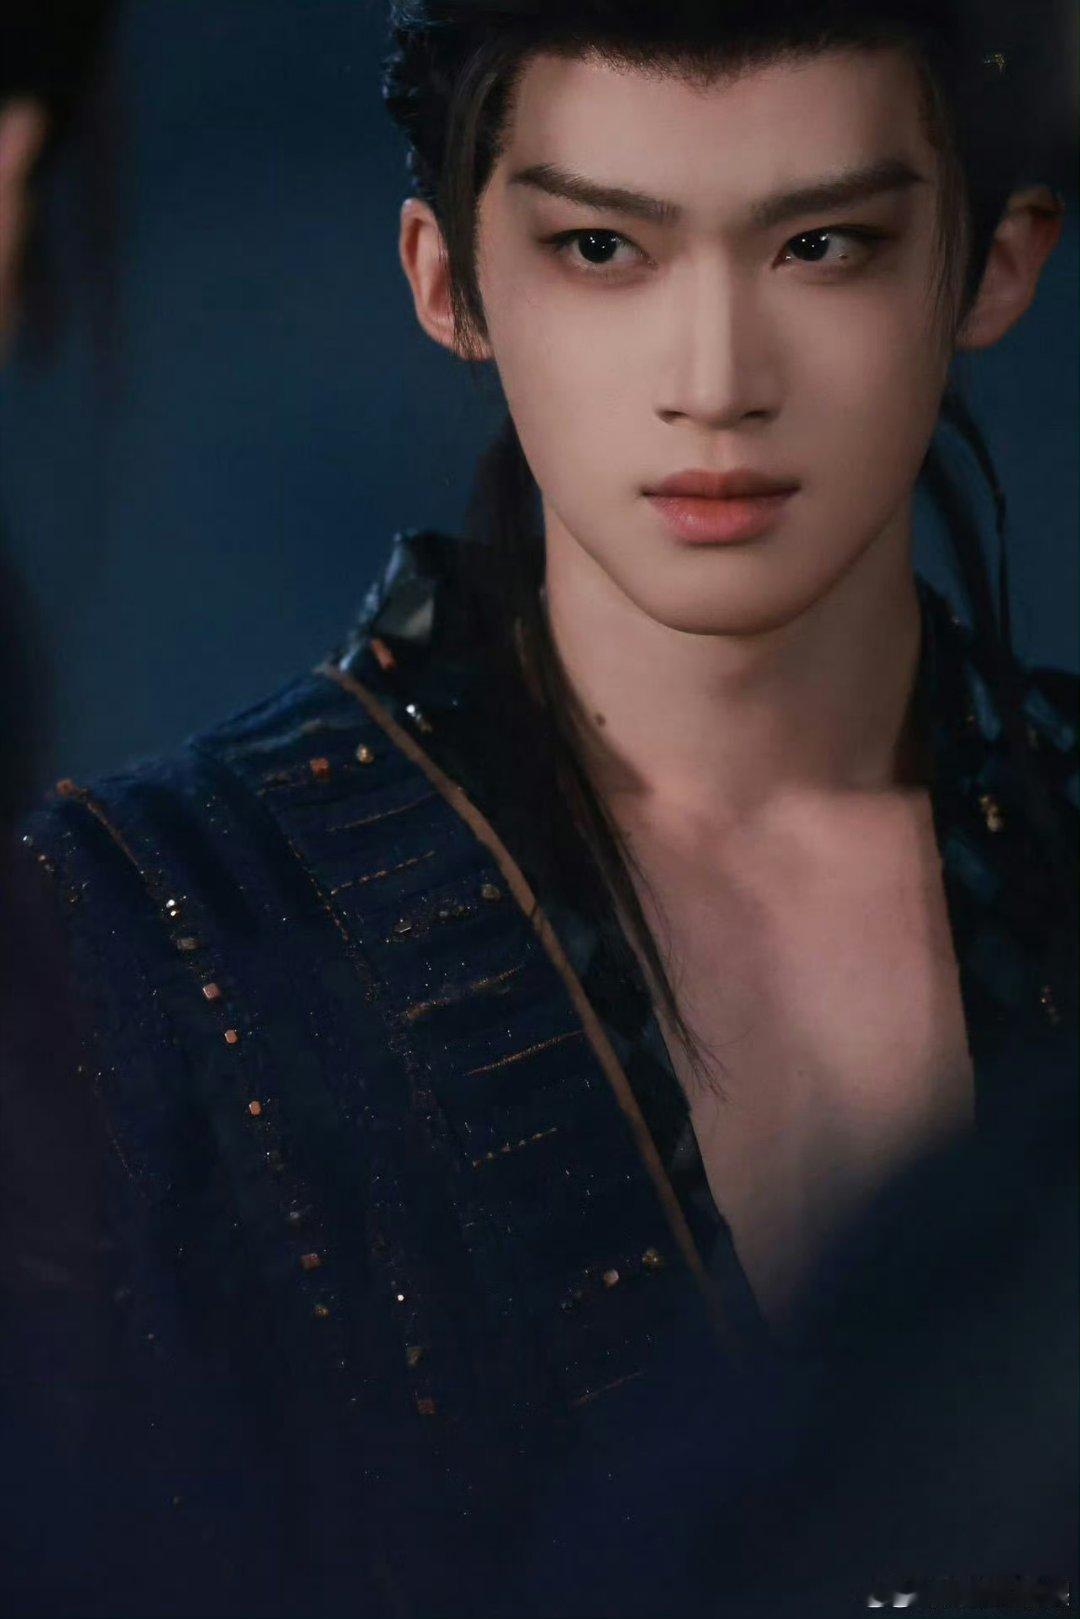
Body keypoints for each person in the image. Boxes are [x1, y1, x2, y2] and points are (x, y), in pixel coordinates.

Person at [13, 2, 1078, 1614]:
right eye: (601, 249)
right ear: (448, 280)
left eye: (823, 246)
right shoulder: (133, 940)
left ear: (995, 265)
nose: (716, 380)